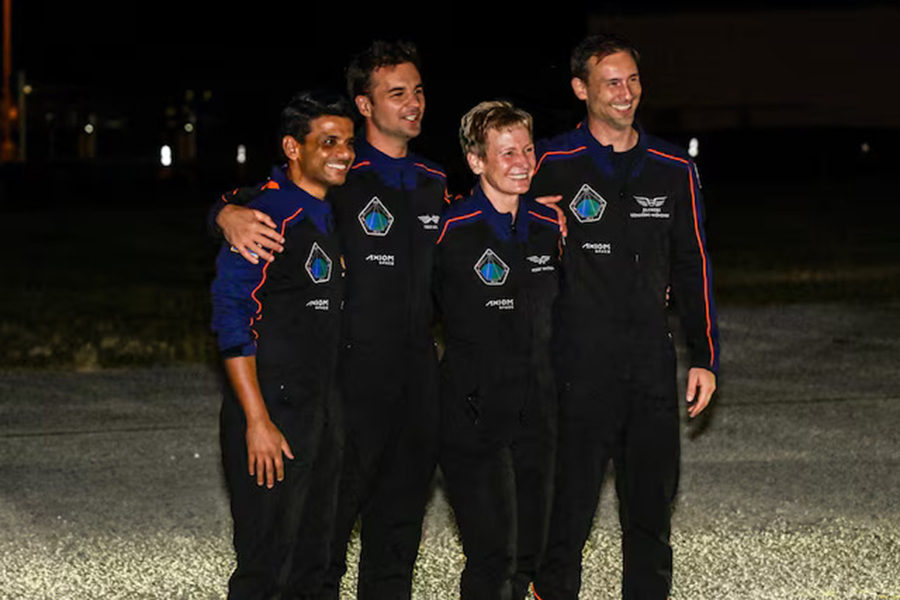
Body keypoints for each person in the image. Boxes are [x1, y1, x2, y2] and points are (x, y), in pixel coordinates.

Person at [212, 41, 448, 600]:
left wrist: (539, 213)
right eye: (397, 93)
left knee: (393, 534)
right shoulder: (338, 173)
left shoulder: (435, 180)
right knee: (303, 549)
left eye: (418, 91)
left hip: (411, 385)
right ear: (365, 105)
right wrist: (222, 213)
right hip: (345, 385)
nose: (413, 103)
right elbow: (251, 211)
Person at [529, 34, 720, 600]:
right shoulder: (550, 162)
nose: (626, 92)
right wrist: (525, 217)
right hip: (577, 364)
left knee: (650, 510)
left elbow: (694, 263)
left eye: (633, 79)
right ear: (580, 88)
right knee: (569, 507)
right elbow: (478, 220)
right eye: (611, 81)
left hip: (649, 365)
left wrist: (704, 355)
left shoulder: (671, 166)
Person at [211, 91, 355, 599]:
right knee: (265, 567)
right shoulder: (264, 216)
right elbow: (232, 320)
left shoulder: (329, 211)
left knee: (316, 563)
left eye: (348, 142)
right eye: (329, 141)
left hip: (321, 413)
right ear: (293, 147)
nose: (342, 152)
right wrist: (257, 421)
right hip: (273, 415)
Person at [435, 100, 561, 600]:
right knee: (493, 554)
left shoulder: (550, 228)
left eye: (527, 150)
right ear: (476, 161)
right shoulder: (450, 230)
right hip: (473, 415)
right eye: (506, 152)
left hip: (538, 413)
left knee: (529, 553)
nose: (522, 162)